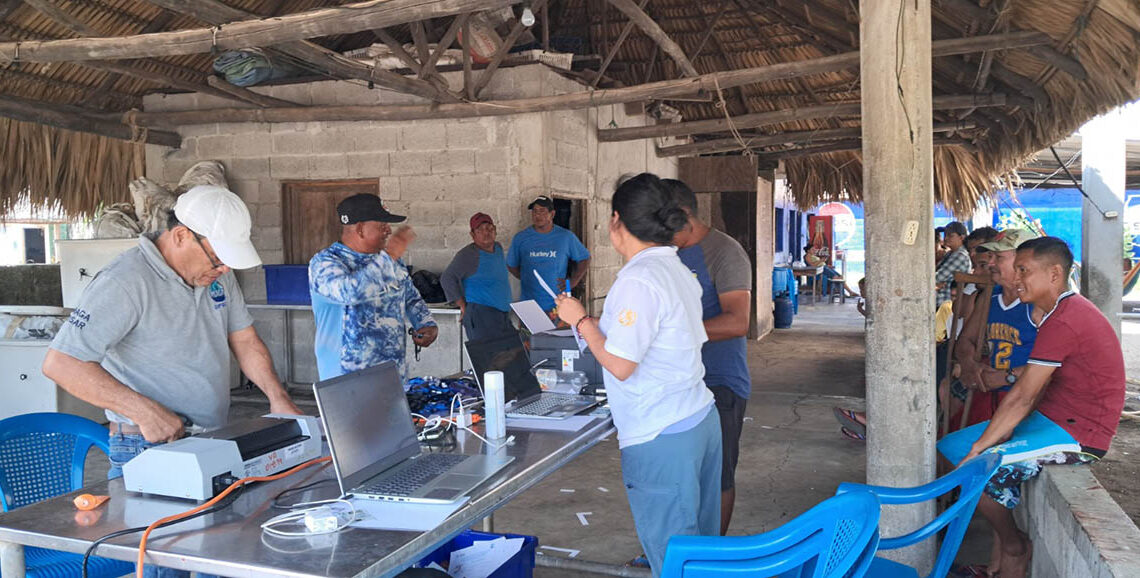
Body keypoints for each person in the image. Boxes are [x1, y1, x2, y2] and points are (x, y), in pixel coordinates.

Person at [42, 185, 300, 578]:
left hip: (213, 439)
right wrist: (143, 411)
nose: (223, 270)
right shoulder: (125, 281)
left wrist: (277, 398)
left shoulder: (216, 276)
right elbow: (62, 363)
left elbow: (245, 339)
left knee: (221, 556)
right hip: (147, 448)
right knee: (168, 565)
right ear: (181, 235)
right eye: (217, 259)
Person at [554, 173, 721, 577]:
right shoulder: (675, 267)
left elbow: (621, 365)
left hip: (661, 433)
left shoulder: (639, 279)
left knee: (676, 558)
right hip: (697, 418)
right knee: (702, 549)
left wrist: (580, 321)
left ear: (616, 220)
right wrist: (594, 325)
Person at [962, 237, 1125, 578]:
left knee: (977, 471)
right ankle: (1004, 551)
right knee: (956, 449)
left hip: (1081, 434)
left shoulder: (1066, 318)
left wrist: (980, 446)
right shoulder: (1058, 313)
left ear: (1054, 274)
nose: (1017, 278)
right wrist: (987, 438)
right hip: (1054, 418)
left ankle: (1014, 547)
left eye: (1024, 270)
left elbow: (1023, 394)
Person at [665, 178, 751, 536]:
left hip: (719, 382)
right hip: (676, 383)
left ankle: (711, 554)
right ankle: (675, 551)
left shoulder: (724, 252)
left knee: (717, 476)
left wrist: (672, 333)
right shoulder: (666, 253)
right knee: (677, 475)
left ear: (684, 214)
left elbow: (737, 321)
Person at [309, 193, 438, 380]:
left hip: (392, 374)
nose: (389, 231)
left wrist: (426, 323)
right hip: (347, 379)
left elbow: (409, 296)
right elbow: (349, 293)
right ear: (360, 229)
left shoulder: (390, 261)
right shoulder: (325, 263)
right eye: (382, 225)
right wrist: (389, 257)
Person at [953, 229, 1039, 427]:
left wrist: (1007, 377)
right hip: (991, 393)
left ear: (1023, 263)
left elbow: (1055, 366)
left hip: (1027, 398)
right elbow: (966, 339)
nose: (990, 263)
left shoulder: (1040, 303)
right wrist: (969, 364)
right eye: (990, 256)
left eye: (998, 257)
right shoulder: (990, 297)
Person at [507, 195, 591, 314]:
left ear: (552, 214)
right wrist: (527, 277)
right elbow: (511, 265)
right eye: (535, 211)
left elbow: (584, 258)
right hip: (529, 306)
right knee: (529, 327)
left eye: (542, 211)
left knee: (557, 327)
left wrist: (573, 281)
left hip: (557, 306)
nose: (537, 215)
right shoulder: (521, 238)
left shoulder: (565, 237)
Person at [441, 212, 515, 341]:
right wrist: (462, 305)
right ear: (472, 234)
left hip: (502, 314)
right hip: (481, 315)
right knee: (489, 353)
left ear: (495, 231)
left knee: (511, 351)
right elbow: (447, 278)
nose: (486, 232)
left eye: (490, 228)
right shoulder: (469, 254)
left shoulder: (498, 248)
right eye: (480, 230)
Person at [935, 221, 971, 306]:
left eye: (950, 235)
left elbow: (937, 278)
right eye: (945, 235)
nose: (946, 238)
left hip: (944, 304)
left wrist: (935, 285)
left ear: (961, 237)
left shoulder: (960, 255)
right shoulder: (950, 253)